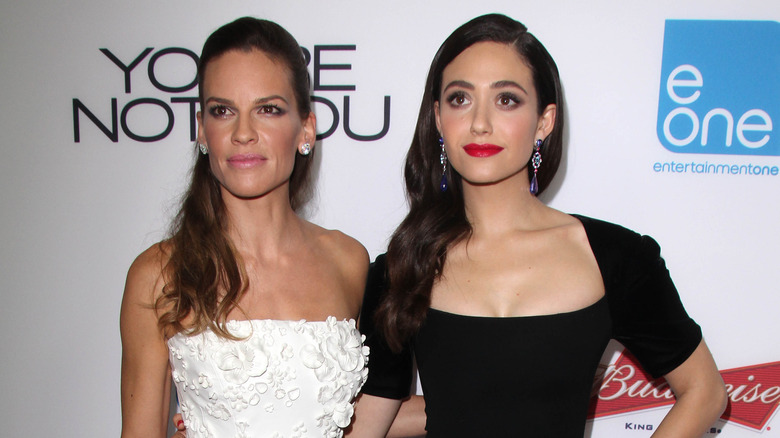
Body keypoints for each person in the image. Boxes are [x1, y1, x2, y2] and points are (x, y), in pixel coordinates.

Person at [350, 13, 727, 437]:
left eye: (507, 99)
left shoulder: (614, 258)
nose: (479, 122)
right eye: (459, 99)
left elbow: (705, 391)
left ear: (544, 121)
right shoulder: (401, 266)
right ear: (438, 118)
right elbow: (369, 427)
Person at [120, 17, 369, 438]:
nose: (243, 133)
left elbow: (359, 417)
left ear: (305, 128)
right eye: (223, 111)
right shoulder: (159, 275)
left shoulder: (348, 261)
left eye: (268, 110)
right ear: (202, 129)